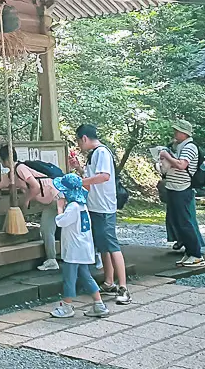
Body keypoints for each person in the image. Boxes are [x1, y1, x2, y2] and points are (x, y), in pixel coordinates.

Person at [0, 144, 60, 271]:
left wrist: (26, 200)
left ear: (5, 160)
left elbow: (35, 187)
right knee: (46, 229)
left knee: (53, 228)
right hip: (50, 200)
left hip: (56, 196)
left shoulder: (20, 168)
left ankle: (60, 259)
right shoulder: (11, 174)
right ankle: (52, 259)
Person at [76, 124, 131, 305]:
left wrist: (80, 181)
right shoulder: (94, 155)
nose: (79, 145)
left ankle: (123, 287)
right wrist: (78, 168)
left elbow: (104, 176)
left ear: (84, 138)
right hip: (96, 206)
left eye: (78, 141)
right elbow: (93, 176)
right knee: (103, 245)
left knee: (112, 245)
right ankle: (109, 281)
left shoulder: (101, 152)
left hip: (105, 207)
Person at [50, 173, 110, 319]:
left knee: (69, 277)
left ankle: (67, 305)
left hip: (73, 250)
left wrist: (59, 207)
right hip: (83, 248)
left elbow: (62, 221)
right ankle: (99, 304)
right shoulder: (82, 206)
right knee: (85, 276)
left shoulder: (73, 207)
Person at [159, 120, 205, 267]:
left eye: (177, 131)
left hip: (182, 189)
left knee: (185, 222)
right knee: (178, 222)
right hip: (174, 188)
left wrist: (166, 156)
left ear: (184, 133)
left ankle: (196, 255)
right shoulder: (179, 147)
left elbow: (181, 164)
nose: (175, 133)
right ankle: (190, 252)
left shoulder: (190, 147)